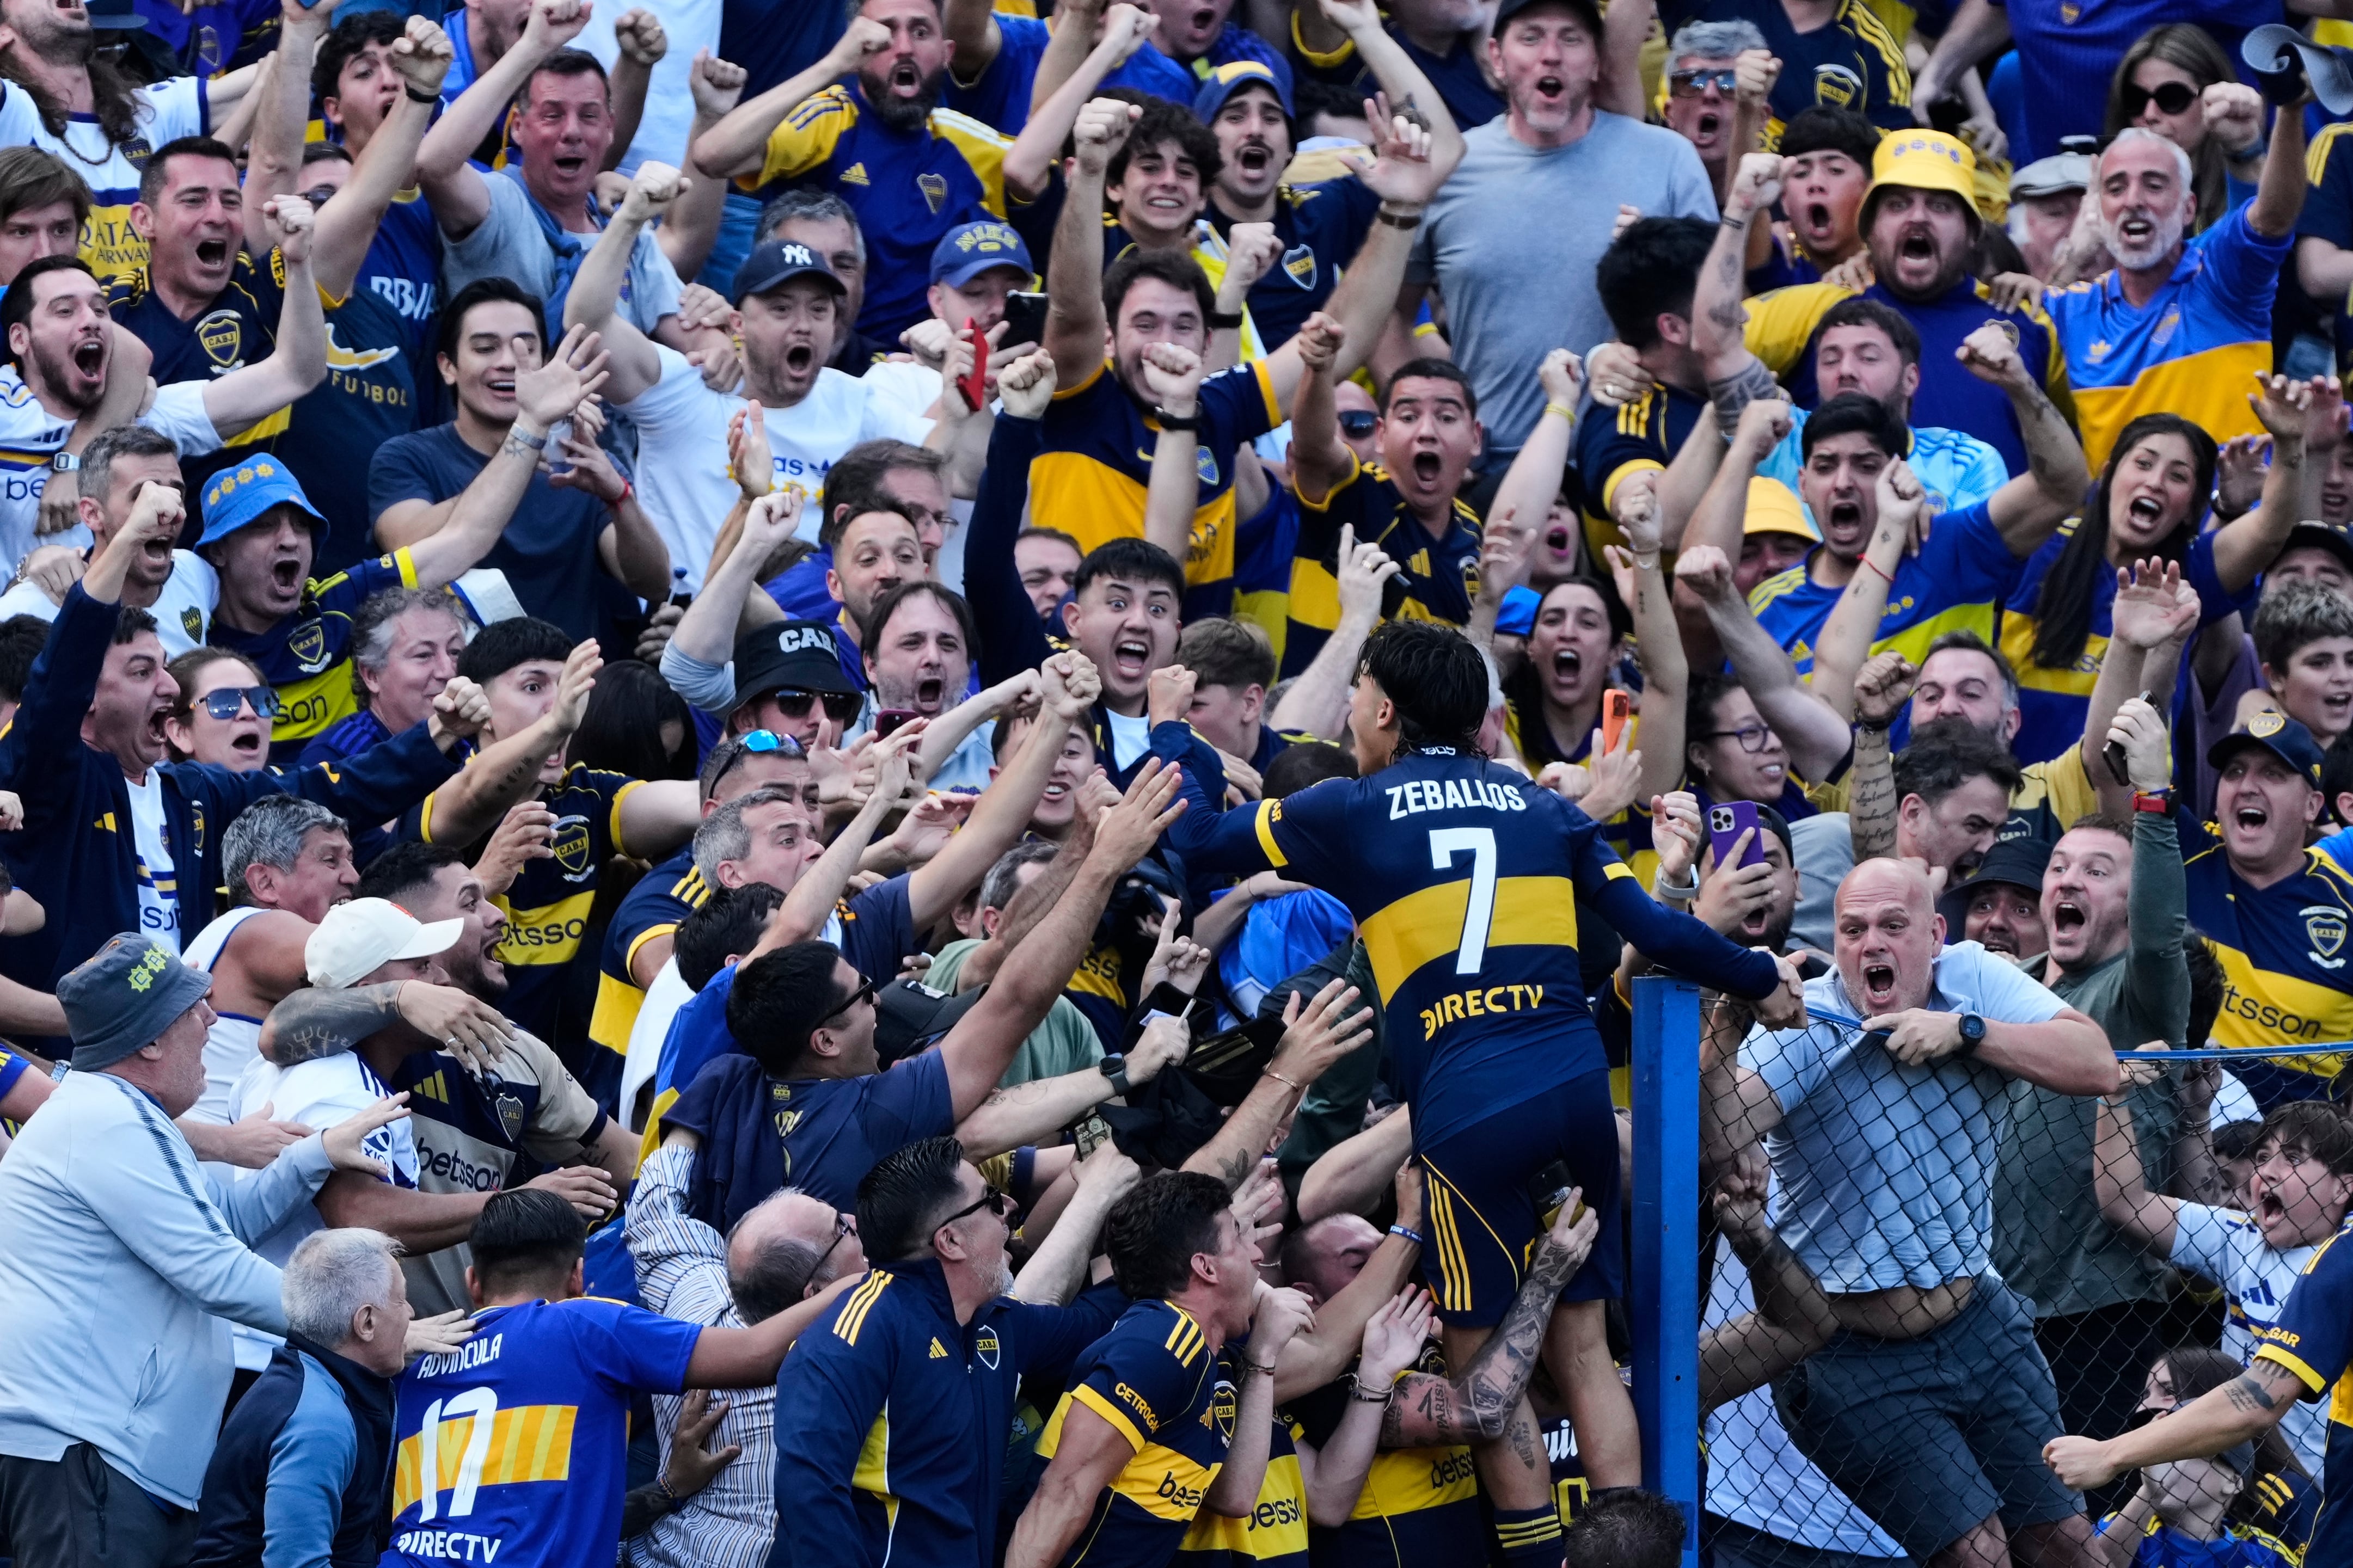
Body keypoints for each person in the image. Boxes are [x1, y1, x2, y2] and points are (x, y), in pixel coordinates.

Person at [1163, 619, 1802, 1547]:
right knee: (1583, 1347)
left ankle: (1540, 1556)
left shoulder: (1351, 806)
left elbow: (1196, 835)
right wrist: (1758, 977)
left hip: (1469, 1115)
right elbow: (1658, 934)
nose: (1346, 709)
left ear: (1382, 706)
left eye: (1355, 694)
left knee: (1484, 1362)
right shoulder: (1543, 810)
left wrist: (1173, 734)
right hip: (1576, 1092)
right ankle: (1632, 1558)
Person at [1702, 857, 2119, 1567]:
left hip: (1976, 1318)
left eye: (1892, 926)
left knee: (2067, 1546)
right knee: (1976, 1554)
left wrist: (1964, 1031)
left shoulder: (1971, 978)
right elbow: (1715, 1137)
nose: (1871, 945)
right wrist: (1725, 1032)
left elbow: (2096, 1062)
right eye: (1852, 929)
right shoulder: (1812, 1018)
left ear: (1932, 934)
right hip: (1849, 1344)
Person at [0, 933, 404, 1562]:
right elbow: (214, 1270)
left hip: (110, 1461)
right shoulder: (107, 1119)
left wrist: (314, 1154)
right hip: (87, 1457)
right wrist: (356, 1320)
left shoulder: (121, 1116)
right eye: (195, 1008)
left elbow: (222, 1226)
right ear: (151, 1041)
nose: (214, 1019)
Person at [659, 752, 1184, 1227]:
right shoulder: (869, 1113)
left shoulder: (724, 1080)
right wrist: (1102, 864)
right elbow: (1015, 1000)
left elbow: (983, 1135)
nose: (880, 999)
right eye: (864, 992)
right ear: (823, 1041)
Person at [0, 495, 469, 998]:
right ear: (86, 699)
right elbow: (62, 676)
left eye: (164, 666)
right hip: (70, 1060)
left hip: (176, 1048)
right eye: (142, 671)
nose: (169, 687)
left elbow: (325, 790)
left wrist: (436, 737)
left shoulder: (195, 792)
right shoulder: (52, 775)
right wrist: (129, 538)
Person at [1035, 94, 1441, 610]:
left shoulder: (1217, 407)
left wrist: (1400, 211)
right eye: (1145, 322)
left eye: (1184, 324)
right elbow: (1071, 309)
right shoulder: (1079, 401)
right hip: (1068, 664)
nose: (1165, 338)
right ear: (1109, 339)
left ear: (1209, 343)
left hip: (1193, 673)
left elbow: (1344, 339)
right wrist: (1090, 171)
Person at [377, 1188, 862, 1568]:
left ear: (473, 1283)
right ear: (578, 1277)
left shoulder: (409, 1368)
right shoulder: (584, 1323)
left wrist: (670, 1487)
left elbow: (515, 1518)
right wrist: (865, 1281)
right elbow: (757, 1354)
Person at [255, 840, 642, 1315]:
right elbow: (278, 1031)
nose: (497, 915)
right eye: (470, 901)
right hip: (360, 1349)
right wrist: (399, 998)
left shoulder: (517, 1051)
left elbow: (629, 1162)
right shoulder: (333, 1055)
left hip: (463, 1347)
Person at [1990, 700, 2195, 1491]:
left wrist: (2150, 802)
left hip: (2100, 1312)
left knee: (2081, 1518)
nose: (2067, 880)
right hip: (1997, 1309)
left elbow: (2157, 928)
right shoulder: (2007, 992)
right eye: (2057, 869)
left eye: (2095, 871)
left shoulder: (2140, 991)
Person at [774, 1136, 1147, 1565]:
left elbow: (1097, 1323)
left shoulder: (996, 1322)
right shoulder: (860, 1329)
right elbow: (808, 1490)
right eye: (989, 1200)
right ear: (950, 1240)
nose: (1008, 1204)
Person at [1396, 0, 1714, 468]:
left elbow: (1721, 322)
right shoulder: (1450, 169)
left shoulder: (1669, 158)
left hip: (1642, 461)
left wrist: (1658, 261)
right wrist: (1434, 430)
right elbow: (1392, 316)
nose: (1552, 55)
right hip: (1492, 468)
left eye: (1571, 38)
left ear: (1597, 61)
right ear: (1496, 58)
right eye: (1531, 37)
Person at [1705, 137, 2070, 481]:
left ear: (1974, 232)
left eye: (1940, 205)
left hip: (1992, 545)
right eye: (1897, 205)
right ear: (1870, 230)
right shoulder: (1821, 308)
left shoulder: (2031, 318)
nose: (1918, 218)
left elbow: (2082, 441)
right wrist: (1741, 210)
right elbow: (1711, 343)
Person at [1004, 1171, 1320, 1568]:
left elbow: (1235, 1495)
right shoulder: (1162, 1340)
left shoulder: (1200, 1356)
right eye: (1239, 1237)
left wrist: (1263, 1357)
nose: (1257, 1254)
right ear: (1206, 1267)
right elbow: (1061, 1492)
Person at [690, 0, 1026, 343]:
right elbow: (712, 155)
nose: (905, 48)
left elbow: (1040, 175)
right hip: (823, 360)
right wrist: (834, 64)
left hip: (928, 365)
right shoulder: (830, 120)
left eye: (921, 32)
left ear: (946, 53)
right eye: (885, 33)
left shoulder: (967, 144)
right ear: (857, 46)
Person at [624, 1126, 874, 1568]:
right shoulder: (861, 1367)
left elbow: (653, 1213)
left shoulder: (697, 1293)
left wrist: (688, 1124)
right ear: (815, 1291)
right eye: (842, 1228)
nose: (857, 1221)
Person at [370, 279, 673, 641]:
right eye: (485, 348)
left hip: (567, 688)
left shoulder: (584, 460)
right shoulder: (406, 457)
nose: (508, 363)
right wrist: (523, 449)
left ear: (546, 364)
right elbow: (407, 553)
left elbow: (653, 583)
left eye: (526, 349)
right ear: (448, 366)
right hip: (453, 689)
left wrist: (619, 497)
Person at [0, 241, 317, 569]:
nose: (90, 321)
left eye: (100, 310)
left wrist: (298, 263)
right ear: (19, 339)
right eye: (65, 311)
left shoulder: (145, 416)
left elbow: (296, 373)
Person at [2041, 118, 2308, 472]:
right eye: (2116, 189)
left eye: (2153, 186)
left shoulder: (2223, 280)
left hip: (2229, 521)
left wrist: (2290, 108)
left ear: (2188, 208)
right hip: (2113, 525)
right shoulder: (2070, 308)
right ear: (2098, 211)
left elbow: (2273, 217)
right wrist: (2074, 258)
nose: (2133, 201)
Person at [187, 1227, 421, 1568]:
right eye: (401, 1299)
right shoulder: (318, 1421)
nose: (411, 1313)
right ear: (366, 1322)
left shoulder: (332, 1382)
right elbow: (295, 1562)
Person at [0, 0, 259, 283]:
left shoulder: (145, 109)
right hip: (64, 321)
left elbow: (274, 78)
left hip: (153, 321)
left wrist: (301, 27)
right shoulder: (12, 113)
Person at [2185, 714, 2353, 1109]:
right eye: (2234, 772)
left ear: (2313, 806)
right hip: (2174, 1130)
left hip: (2298, 1153)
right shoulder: (2186, 853)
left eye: (2273, 774)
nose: (2247, 786)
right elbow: (2111, 772)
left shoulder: (2345, 905)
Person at [1282, 354, 1486, 678]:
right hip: (1317, 722)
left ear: (1476, 437)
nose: (1427, 432)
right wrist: (1319, 369)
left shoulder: (1473, 533)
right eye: (1408, 417)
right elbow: (1314, 448)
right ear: (1381, 434)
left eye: (1446, 417)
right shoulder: (1353, 495)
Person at [0, 424, 219, 656]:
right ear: (92, 514)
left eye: (176, 494)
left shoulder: (196, 574)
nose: (170, 511)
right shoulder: (32, 608)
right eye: (144, 497)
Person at [298, 588, 468, 768]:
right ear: (371, 676)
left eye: (455, 652)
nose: (448, 672)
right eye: (424, 655)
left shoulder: (473, 732)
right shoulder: (334, 760)